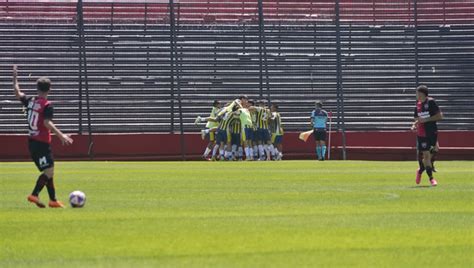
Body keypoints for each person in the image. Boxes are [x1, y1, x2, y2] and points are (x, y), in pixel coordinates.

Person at [13, 65, 73, 208]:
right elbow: (47, 122)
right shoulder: (47, 105)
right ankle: (34, 194)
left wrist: (15, 77)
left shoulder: (31, 101)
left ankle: (53, 200)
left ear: (37, 88)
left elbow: (17, 92)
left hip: (32, 142)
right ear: (49, 89)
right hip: (42, 143)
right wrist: (61, 135)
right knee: (49, 171)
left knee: (49, 172)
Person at [411, 85, 443, 186]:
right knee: (426, 155)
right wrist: (414, 125)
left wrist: (426, 120)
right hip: (421, 133)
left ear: (422, 93)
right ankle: (431, 179)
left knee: (435, 150)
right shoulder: (418, 105)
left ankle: (420, 170)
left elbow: (440, 116)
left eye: (417, 93)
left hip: (432, 132)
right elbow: (417, 119)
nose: (416, 95)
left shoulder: (431, 102)